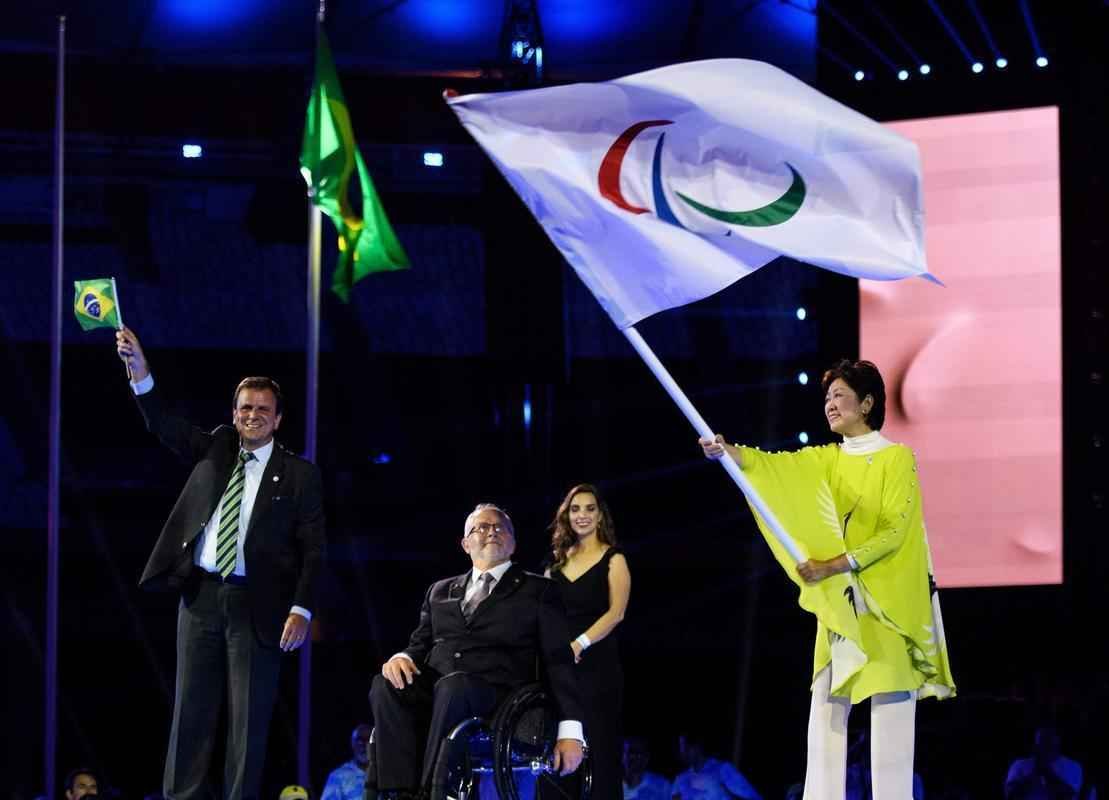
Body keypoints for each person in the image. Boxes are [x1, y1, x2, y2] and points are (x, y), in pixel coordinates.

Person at [700, 359, 955, 800]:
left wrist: (833, 565)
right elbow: (773, 468)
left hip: (890, 606)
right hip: (843, 605)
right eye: (827, 397)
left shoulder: (896, 458)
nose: (830, 404)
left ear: (867, 403)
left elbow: (895, 531)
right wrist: (729, 453)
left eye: (840, 395)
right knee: (825, 710)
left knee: (892, 723)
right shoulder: (826, 459)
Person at [115, 327, 326, 800]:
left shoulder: (300, 475)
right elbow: (163, 424)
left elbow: (314, 549)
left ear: (278, 420)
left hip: (259, 604)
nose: (253, 415)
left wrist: (301, 608)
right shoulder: (217, 447)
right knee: (190, 709)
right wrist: (140, 370)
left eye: (263, 410)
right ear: (234, 414)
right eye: (245, 408)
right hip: (201, 596)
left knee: (248, 720)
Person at [368, 503, 585, 799]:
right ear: (465, 544)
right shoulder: (439, 591)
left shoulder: (539, 590)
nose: (491, 531)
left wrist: (571, 731)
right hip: (440, 689)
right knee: (386, 685)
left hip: (498, 695)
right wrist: (402, 657)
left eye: (500, 527)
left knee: (455, 687)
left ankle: (431, 792)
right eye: (481, 527)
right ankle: (398, 792)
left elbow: (559, 662)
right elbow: (419, 644)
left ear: (513, 543)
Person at [545, 484, 631, 800]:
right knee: (557, 752)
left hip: (597, 666)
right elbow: (546, 618)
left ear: (600, 516)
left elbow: (617, 613)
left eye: (589, 508)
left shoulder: (614, 558)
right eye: (575, 509)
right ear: (566, 516)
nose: (582, 515)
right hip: (560, 668)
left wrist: (580, 643)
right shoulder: (554, 567)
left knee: (599, 750)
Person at [1004, 726, 1091, 800]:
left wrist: (1045, 771)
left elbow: (1067, 796)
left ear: (1058, 742)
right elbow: (1010, 796)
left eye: (1049, 741)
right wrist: (1034, 773)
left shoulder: (1073, 766)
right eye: (1042, 741)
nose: (1045, 746)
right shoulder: (1019, 764)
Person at [671, 734, 760, 800]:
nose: (682, 753)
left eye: (686, 748)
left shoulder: (722, 769)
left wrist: (725, 794)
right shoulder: (680, 779)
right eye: (681, 750)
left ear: (697, 747)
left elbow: (753, 798)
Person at [321, 724, 373, 800]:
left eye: (368, 740)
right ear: (352, 744)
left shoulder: (385, 775)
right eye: (360, 740)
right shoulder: (338, 777)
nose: (364, 745)